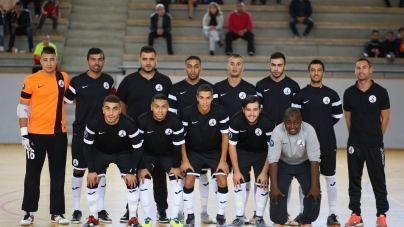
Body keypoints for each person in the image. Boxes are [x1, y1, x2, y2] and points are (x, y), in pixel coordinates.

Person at [116, 46, 173, 223]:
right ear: (139, 60)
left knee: (159, 176)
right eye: (145, 59)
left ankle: (162, 210)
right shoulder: (128, 81)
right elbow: (121, 105)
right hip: (135, 138)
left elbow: (168, 108)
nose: (148, 62)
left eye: (151, 59)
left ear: (156, 60)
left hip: (159, 138)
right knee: (133, 173)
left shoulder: (165, 81)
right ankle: (130, 210)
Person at [18, 46, 70, 225]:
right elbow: (22, 108)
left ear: (56, 60)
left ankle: (57, 213)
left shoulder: (63, 77)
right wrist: (24, 134)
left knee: (57, 175)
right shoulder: (31, 80)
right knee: (32, 175)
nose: (49, 63)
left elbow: (71, 98)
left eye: (52, 59)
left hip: (58, 135)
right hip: (35, 136)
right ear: (40, 61)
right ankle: (29, 212)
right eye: (45, 60)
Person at [64, 48, 116, 224]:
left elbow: (114, 102)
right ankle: (77, 209)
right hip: (81, 132)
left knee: (100, 172)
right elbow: (67, 99)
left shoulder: (108, 81)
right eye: (93, 59)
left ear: (104, 62)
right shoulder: (77, 81)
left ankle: (100, 209)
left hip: (103, 134)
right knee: (79, 170)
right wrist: (83, 104)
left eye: (100, 59)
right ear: (87, 61)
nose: (97, 62)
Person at [291, 59, 343, 226]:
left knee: (330, 178)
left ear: (323, 73)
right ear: (309, 73)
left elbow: (336, 117)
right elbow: (294, 120)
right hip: (305, 146)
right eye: (312, 70)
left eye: (318, 70)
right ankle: (302, 212)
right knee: (305, 180)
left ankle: (333, 214)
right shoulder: (300, 96)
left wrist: (324, 127)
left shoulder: (332, 94)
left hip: (327, 144)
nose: (315, 73)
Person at [168, 55, 217, 224]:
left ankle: (203, 212)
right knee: (184, 177)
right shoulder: (175, 89)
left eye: (196, 66)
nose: (193, 69)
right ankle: (182, 211)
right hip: (184, 143)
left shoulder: (209, 88)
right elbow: (173, 118)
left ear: (200, 68)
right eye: (190, 66)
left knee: (204, 177)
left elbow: (214, 113)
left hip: (205, 141)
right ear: (185, 69)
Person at [81, 95, 143, 227]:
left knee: (132, 181)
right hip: (100, 152)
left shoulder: (129, 124)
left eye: (114, 109)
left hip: (124, 152)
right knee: (91, 181)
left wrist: (131, 171)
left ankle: (133, 219)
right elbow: (86, 147)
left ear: (120, 110)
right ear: (103, 109)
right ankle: (93, 218)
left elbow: (138, 149)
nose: (111, 113)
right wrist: (91, 170)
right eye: (108, 109)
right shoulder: (93, 122)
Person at [343, 58, 390, 227]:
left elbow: (385, 118)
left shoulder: (381, 92)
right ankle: (356, 214)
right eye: (358, 68)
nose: (361, 70)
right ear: (355, 71)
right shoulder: (348, 93)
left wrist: (375, 137)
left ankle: (381, 214)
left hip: (374, 145)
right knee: (354, 180)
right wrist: (357, 137)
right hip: (354, 144)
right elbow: (348, 121)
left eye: (364, 67)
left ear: (371, 69)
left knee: (378, 180)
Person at [180, 84, 229, 227]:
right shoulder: (187, 113)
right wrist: (185, 160)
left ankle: (220, 216)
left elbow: (225, 136)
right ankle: (190, 217)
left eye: (208, 98)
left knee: (222, 180)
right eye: (201, 98)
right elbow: (181, 139)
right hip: (194, 152)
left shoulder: (221, 112)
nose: (205, 102)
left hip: (214, 152)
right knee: (188, 181)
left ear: (212, 98)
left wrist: (223, 161)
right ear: (197, 98)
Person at [137, 94, 185, 227]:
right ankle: (147, 218)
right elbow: (138, 147)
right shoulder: (142, 120)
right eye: (157, 107)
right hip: (148, 154)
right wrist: (142, 166)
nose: (160, 110)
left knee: (177, 181)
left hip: (168, 154)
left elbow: (177, 146)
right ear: (151, 107)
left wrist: (176, 166)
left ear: (168, 107)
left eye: (163, 107)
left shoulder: (175, 121)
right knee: (144, 182)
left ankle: (174, 218)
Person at [268, 107, 321, 227]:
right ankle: (279, 220)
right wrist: (274, 187)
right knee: (277, 190)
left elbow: (314, 160)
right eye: (288, 122)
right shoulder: (277, 131)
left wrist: (314, 186)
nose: (292, 126)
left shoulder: (309, 130)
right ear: (284, 121)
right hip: (284, 162)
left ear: (301, 121)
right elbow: (273, 160)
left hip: (305, 162)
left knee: (313, 190)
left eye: (296, 122)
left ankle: (307, 220)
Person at [228, 95, 275, 227]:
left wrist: (265, 172)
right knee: (239, 181)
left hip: (262, 153)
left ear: (260, 110)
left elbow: (272, 149)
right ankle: (239, 217)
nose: (252, 114)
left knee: (262, 182)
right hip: (242, 152)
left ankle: (259, 217)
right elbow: (231, 146)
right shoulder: (235, 121)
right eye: (248, 110)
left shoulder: (268, 122)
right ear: (243, 110)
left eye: (255, 110)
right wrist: (236, 171)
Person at [256, 52, 300, 125]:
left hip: (287, 129)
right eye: (273, 65)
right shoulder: (261, 85)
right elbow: (257, 110)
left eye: (279, 65)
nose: (276, 69)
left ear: (285, 66)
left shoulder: (293, 86)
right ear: (269, 66)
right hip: (266, 129)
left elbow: (296, 112)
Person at [215, 54, 257, 119]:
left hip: (243, 128)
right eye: (232, 64)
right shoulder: (217, 87)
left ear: (243, 68)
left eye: (238, 64)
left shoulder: (250, 89)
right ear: (227, 66)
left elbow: (254, 112)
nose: (235, 67)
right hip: (223, 128)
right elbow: (214, 111)